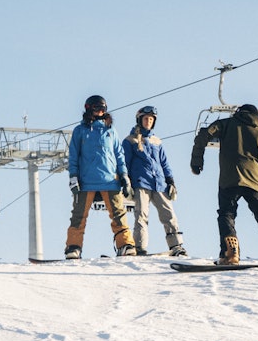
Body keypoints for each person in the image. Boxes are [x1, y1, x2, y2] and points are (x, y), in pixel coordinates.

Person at [190, 103, 258, 265]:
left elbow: (204, 134)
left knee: (227, 214)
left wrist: (197, 160)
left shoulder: (226, 124)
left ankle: (230, 254)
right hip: (257, 181)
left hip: (231, 178)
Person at [66, 95, 137, 258]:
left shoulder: (110, 131)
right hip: (86, 181)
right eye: (97, 108)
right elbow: (73, 156)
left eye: (103, 109)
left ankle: (125, 244)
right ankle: (73, 247)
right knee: (78, 216)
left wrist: (124, 176)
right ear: (89, 108)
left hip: (111, 180)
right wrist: (73, 177)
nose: (100, 112)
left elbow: (119, 155)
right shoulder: (80, 131)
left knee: (118, 214)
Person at [122, 105, 187, 257]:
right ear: (139, 120)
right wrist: (127, 182)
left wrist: (170, 181)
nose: (148, 122)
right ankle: (140, 247)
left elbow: (164, 163)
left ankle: (176, 245)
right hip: (141, 183)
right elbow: (125, 162)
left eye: (151, 119)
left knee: (168, 213)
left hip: (159, 184)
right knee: (141, 215)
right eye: (146, 119)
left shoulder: (156, 141)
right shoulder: (130, 141)